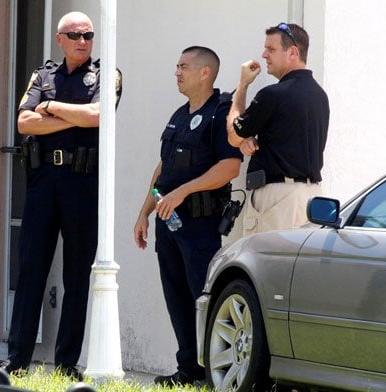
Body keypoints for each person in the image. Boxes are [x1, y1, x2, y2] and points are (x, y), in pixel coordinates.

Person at [0, 11, 122, 381]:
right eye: (75, 35)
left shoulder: (107, 73)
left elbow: (100, 115)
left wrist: (51, 108)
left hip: (82, 183)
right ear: (60, 39)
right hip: (43, 182)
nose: (83, 41)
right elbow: (23, 122)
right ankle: (17, 359)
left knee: (77, 276)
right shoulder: (43, 75)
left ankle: (66, 363)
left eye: (88, 35)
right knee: (32, 269)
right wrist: (76, 115)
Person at [133, 46, 241, 387]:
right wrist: (144, 213)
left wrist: (183, 192)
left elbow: (230, 167)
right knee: (177, 298)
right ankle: (187, 369)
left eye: (183, 66)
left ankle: (213, 373)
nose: (176, 72)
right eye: (176, 66)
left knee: (202, 298)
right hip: (169, 225)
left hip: (200, 224)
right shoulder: (179, 115)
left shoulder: (219, 112)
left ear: (205, 72)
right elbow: (163, 168)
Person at [226, 23, 330, 236]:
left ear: (293, 52)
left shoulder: (273, 94)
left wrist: (243, 85)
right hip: (314, 198)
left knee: (266, 266)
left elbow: (233, 133)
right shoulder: (320, 96)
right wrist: (248, 138)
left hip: (278, 198)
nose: (264, 55)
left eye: (271, 49)